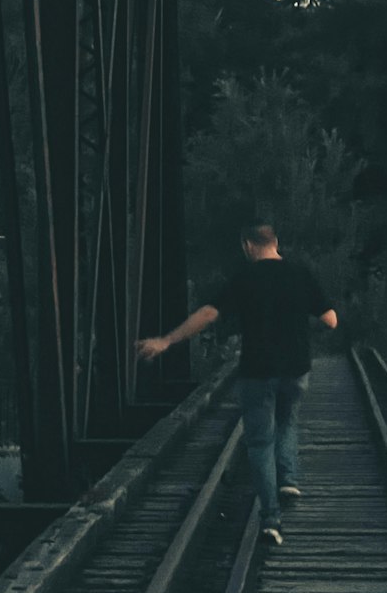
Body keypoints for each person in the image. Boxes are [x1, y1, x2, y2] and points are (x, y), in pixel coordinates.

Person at [136, 223, 337, 545]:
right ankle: (288, 478)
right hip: (296, 368)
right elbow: (330, 320)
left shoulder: (245, 278)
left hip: (257, 370)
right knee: (288, 419)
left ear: (247, 245)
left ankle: (271, 518)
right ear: (276, 243)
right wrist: (303, 333)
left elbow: (207, 314)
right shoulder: (300, 274)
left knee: (259, 442)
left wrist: (167, 340)